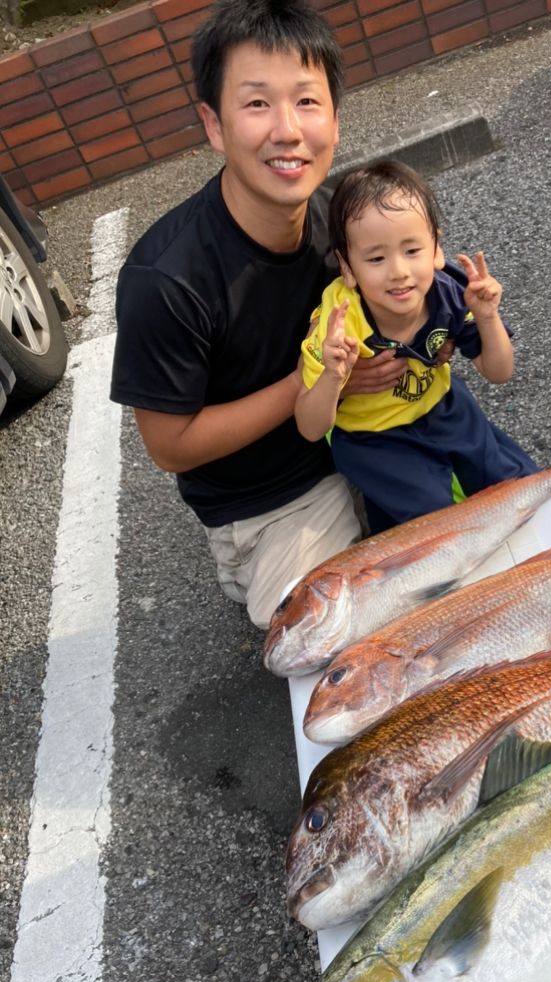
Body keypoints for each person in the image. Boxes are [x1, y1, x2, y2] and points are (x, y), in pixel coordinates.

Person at [109, 0, 410, 628]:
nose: (287, 130)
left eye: (306, 101)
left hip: (366, 433)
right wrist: (317, 380)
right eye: (255, 103)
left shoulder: (340, 211)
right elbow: (170, 446)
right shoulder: (166, 279)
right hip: (273, 500)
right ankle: (252, 565)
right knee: (326, 634)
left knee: (471, 547)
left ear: (333, 116)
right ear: (214, 125)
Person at [294, 159, 551, 588]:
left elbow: (498, 371)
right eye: (376, 257)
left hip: (442, 405)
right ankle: (472, 577)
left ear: (435, 249)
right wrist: (333, 377)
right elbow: (309, 425)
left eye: (411, 250)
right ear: (348, 267)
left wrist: (487, 317)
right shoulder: (338, 323)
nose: (398, 270)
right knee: (430, 521)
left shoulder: (449, 290)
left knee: (505, 473)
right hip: (374, 438)